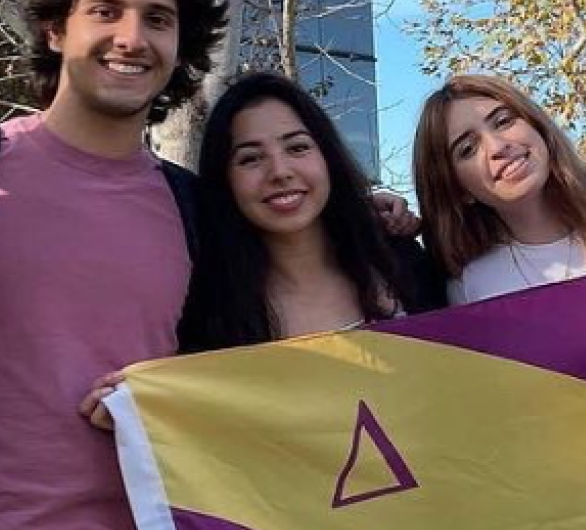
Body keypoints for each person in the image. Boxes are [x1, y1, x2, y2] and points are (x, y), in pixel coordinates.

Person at [0, 0, 226, 527]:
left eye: (157, 18)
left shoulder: (197, 210)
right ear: (55, 30)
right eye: (107, 12)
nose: (133, 37)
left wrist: (377, 224)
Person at [175, 72, 449, 353]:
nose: (280, 172)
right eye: (251, 158)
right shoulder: (208, 315)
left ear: (327, 158)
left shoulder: (405, 264)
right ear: (225, 180)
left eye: (297, 147)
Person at [411, 75, 586, 304]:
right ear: (457, 189)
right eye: (468, 149)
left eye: (503, 121)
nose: (498, 147)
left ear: (538, 127)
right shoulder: (470, 285)